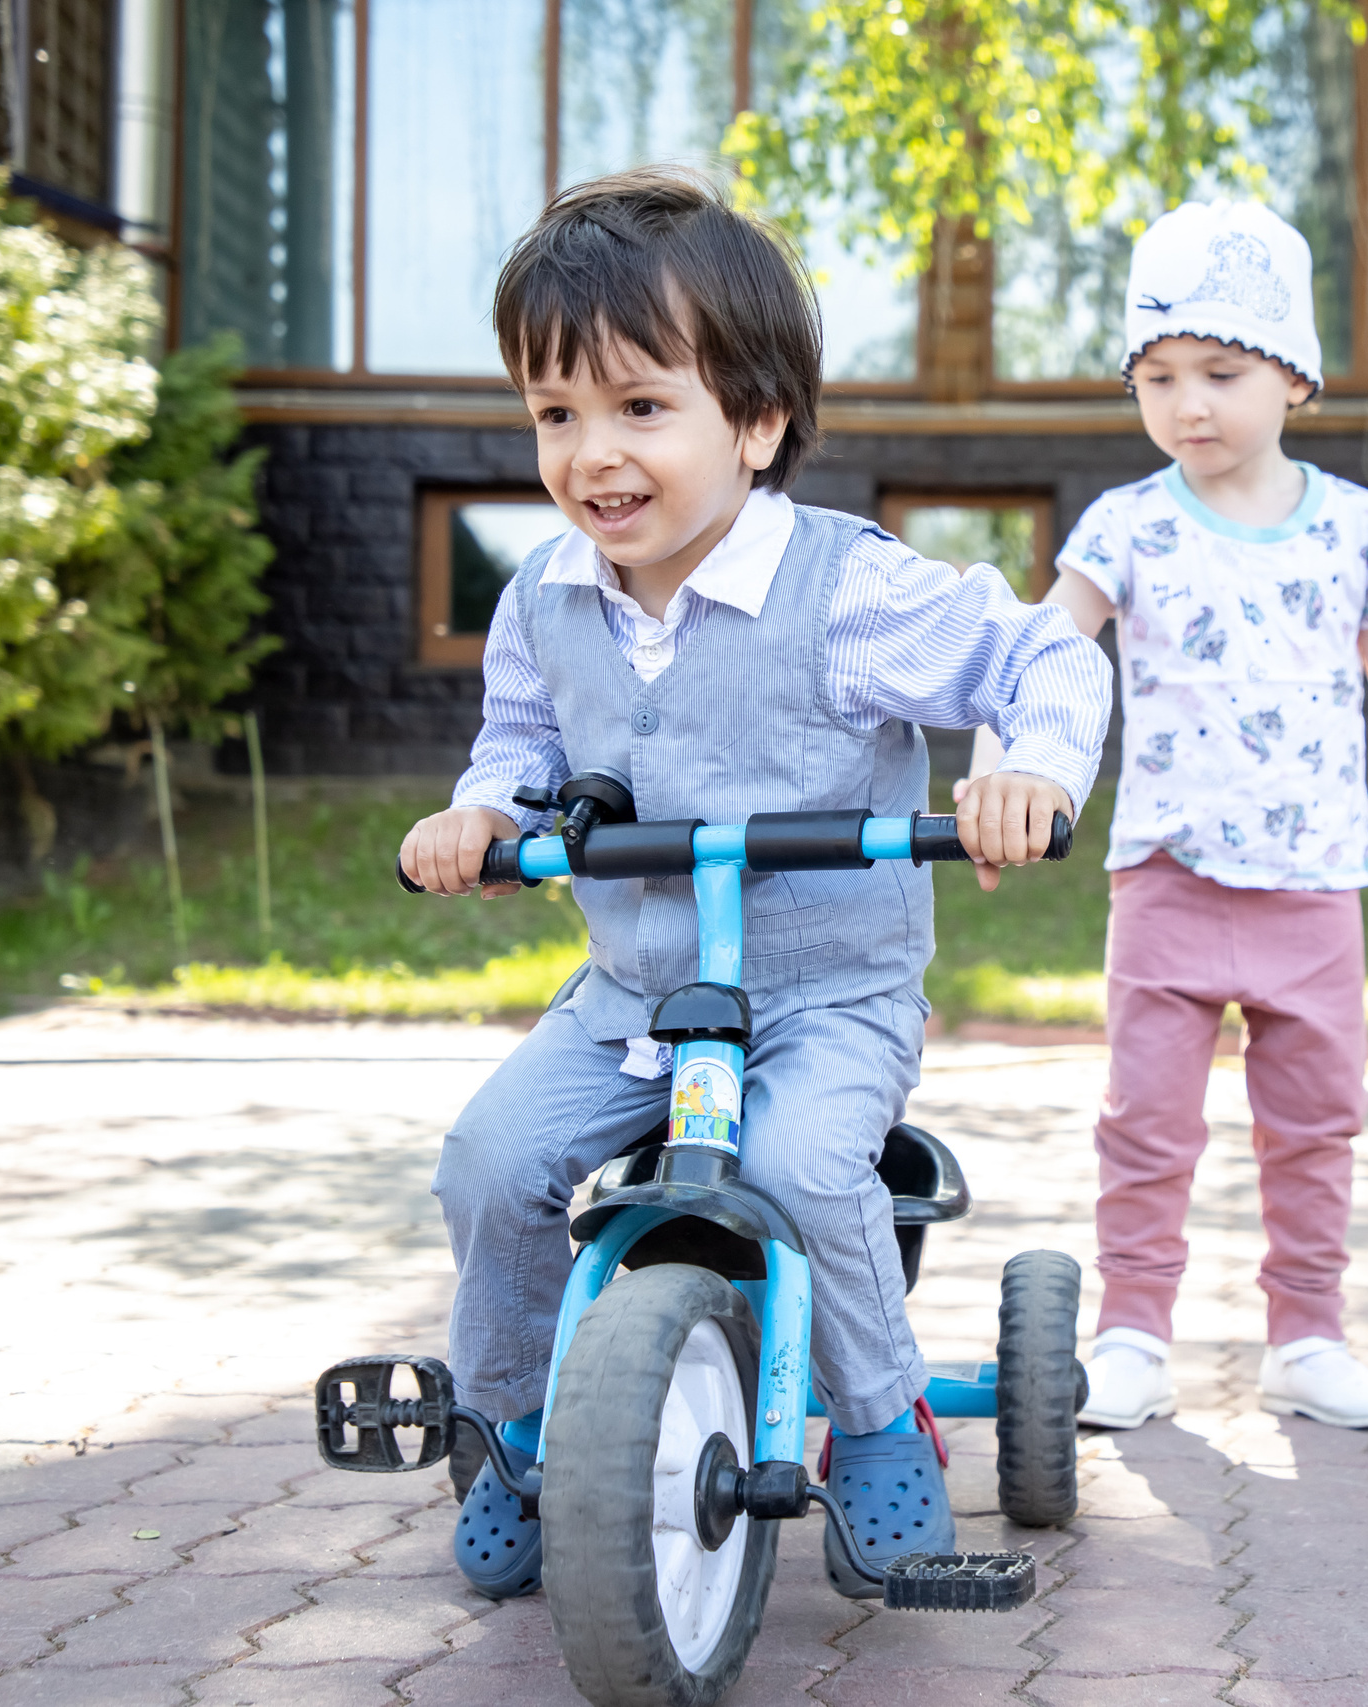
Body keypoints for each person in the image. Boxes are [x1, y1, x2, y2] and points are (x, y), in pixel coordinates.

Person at [399, 168, 1110, 1595]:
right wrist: (484, 810)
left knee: (796, 1165)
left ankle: (883, 1420)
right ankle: (521, 1431)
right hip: (634, 994)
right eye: (557, 413)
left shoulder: (848, 590)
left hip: (826, 993)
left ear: (759, 422)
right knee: (489, 1159)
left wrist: (1027, 768)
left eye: (640, 407)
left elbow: (1046, 654)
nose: (592, 453)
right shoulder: (545, 595)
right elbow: (526, 741)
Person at [965, 200, 1368, 1431]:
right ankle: (1133, 1335)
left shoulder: (1355, 526)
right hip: (1167, 880)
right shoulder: (1126, 524)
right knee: (1146, 1124)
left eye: (1220, 373)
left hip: (1314, 888)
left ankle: (1307, 1339)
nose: (1187, 404)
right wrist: (994, 771)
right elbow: (1042, 650)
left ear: (1292, 376)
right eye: (1158, 377)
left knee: (1315, 1128)